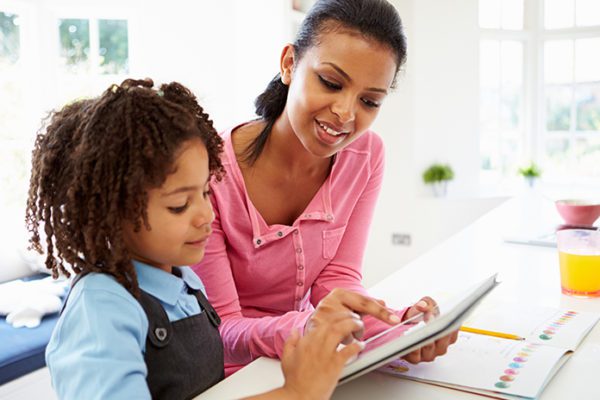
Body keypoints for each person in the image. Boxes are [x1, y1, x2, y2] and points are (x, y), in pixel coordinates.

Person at [26, 78, 403, 400]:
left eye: (205, 193)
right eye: (179, 206)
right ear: (110, 210)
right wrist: (291, 394)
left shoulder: (185, 282)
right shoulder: (101, 308)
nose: (207, 215)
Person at [192, 0, 458, 376]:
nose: (346, 113)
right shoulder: (208, 169)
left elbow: (337, 280)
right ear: (289, 64)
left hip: (305, 359)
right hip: (227, 375)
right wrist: (307, 327)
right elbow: (221, 331)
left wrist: (399, 327)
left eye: (370, 101)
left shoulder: (366, 155)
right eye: (331, 83)